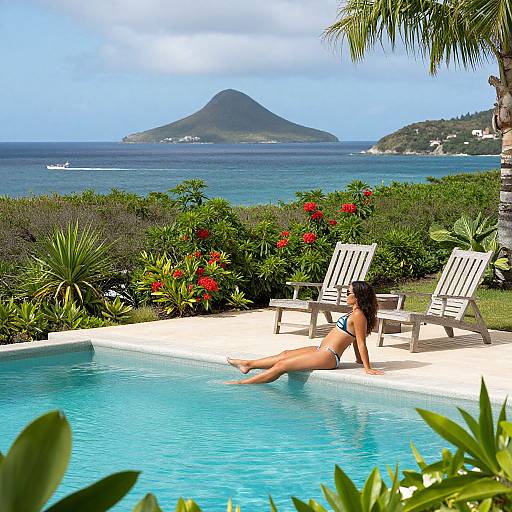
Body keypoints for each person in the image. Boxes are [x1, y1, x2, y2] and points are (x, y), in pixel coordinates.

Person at [225, 280, 383, 384]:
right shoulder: (353, 312)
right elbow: (354, 338)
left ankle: (242, 384)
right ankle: (247, 364)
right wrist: (358, 360)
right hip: (321, 350)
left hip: (329, 356)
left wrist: (367, 368)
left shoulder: (358, 315)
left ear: (358, 296)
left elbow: (361, 342)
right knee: (285, 354)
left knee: (282, 365)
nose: (346, 295)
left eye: (349, 293)